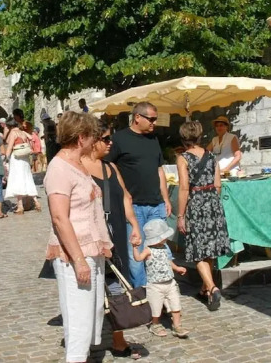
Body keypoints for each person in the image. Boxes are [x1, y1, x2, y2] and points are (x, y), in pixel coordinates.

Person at [44, 111, 113, 363]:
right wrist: (79, 260)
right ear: (81, 137)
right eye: (93, 136)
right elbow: (60, 218)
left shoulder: (79, 164)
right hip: (75, 254)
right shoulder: (59, 168)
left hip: (91, 250)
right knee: (78, 320)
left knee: (91, 314)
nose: (96, 141)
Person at [82, 120, 143, 360]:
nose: (111, 143)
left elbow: (126, 197)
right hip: (91, 238)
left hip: (115, 235)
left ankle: (118, 340)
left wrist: (134, 225)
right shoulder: (78, 167)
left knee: (116, 289)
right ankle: (85, 344)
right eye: (106, 139)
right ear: (92, 139)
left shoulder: (111, 167)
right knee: (90, 292)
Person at [106, 101, 172, 288]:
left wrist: (166, 198)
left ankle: (161, 291)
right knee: (135, 253)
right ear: (137, 117)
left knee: (161, 251)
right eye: (151, 119)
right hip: (133, 207)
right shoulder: (119, 139)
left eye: (155, 119)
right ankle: (142, 293)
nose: (154, 123)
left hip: (156, 204)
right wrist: (123, 191)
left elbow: (159, 170)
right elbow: (109, 166)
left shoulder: (153, 139)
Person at [177, 120, 230, 311]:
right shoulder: (211, 156)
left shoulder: (183, 158)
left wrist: (180, 215)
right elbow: (218, 185)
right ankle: (205, 288)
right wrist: (211, 202)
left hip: (196, 202)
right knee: (210, 247)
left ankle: (212, 288)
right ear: (200, 136)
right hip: (212, 202)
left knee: (198, 250)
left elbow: (184, 188)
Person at [133, 219, 190, 338]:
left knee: (175, 304)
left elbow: (168, 261)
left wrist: (177, 268)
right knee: (156, 307)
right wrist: (135, 248)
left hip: (170, 282)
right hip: (155, 285)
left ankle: (177, 325)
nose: (166, 238)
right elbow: (138, 259)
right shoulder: (148, 250)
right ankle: (155, 324)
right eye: (164, 236)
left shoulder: (164, 248)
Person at [5, 118, 40, 214]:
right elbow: (31, 138)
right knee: (27, 179)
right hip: (25, 158)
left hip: (17, 158)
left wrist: (6, 159)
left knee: (17, 180)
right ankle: (36, 201)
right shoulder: (22, 132)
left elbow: (9, 146)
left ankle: (20, 206)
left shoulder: (13, 133)